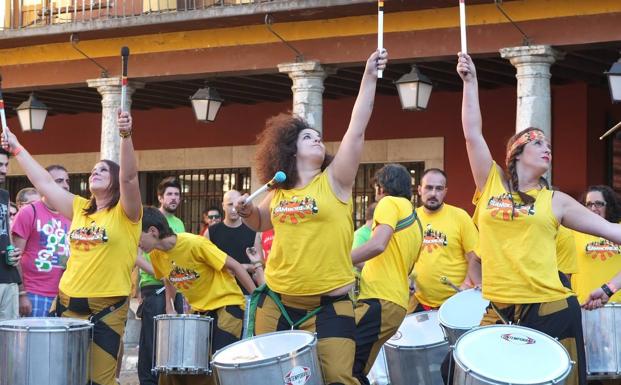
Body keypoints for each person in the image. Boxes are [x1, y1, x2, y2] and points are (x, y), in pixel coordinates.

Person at [454, 53, 621, 385]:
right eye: (538, 143)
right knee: (458, 370)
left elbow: (613, 230)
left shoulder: (556, 201)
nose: (547, 148)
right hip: (499, 306)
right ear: (516, 154)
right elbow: (473, 134)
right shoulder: (491, 184)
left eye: (548, 144)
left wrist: (612, 284)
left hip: (550, 306)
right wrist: (470, 82)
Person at [235, 49, 387, 385]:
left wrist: (368, 76)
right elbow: (261, 222)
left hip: (330, 304)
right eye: (307, 136)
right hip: (276, 301)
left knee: (337, 377)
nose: (317, 138)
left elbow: (357, 129)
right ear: (290, 150)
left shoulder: (336, 180)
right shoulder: (280, 189)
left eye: (318, 137)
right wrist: (247, 212)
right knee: (268, 378)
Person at [1, 110, 141, 385]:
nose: (95, 171)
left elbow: (130, 179)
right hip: (65, 304)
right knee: (60, 377)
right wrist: (17, 147)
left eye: (103, 169)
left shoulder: (127, 214)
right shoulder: (79, 208)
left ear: (114, 179)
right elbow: (42, 181)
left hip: (108, 308)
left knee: (100, 381)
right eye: (93, 169)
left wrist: (125, 136)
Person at [138, 206, 256, 385]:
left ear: (153, 231)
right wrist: (170, 307)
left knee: (219, 363)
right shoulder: (156, 255)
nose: (135, 242)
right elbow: (168, 279)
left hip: (227, 304)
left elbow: (235, 266)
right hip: (199, 311)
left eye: (137, 236)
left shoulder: (195, 243)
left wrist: (256, 298)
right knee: (186, 365)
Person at [351, 164, 422, 385]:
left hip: (379, 300)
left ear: (381, 188)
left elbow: (378, 244)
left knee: (345, 367)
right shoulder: (416, 219)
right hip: (395, 303)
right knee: (356, 369)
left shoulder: (388, 203)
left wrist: (337, 261)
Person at [409, 168, 480, 313]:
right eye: (429, 188)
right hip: (419, 303)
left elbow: (475, 256)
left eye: (439, 189)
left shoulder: (460, 217)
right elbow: (403, 258)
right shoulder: (410, 219)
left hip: (456, 302)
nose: (433, 193)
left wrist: (467, 284)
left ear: (445, 192)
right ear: (419, 190)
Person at [137, 177, 186, 385]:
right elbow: (135, 255)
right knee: (152, 342)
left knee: (173, 341)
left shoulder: (179, 223)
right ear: (160, 197)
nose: (174, 198)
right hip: (154, 288)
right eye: (169, 194)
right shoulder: (147, 221)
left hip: (177, 287)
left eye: (177, 194)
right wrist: (159, 273)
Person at [11, 165, 71, 317]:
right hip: (33, 294)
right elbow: (14, 257)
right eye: (59, 180)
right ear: (45, 184)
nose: (65, 185)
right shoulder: (28, 212)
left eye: (67, 181)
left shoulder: (71, 214)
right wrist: (22, 294)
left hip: (64, 296)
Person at [572, 186, 621, 304]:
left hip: (617, 303)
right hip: (585, 303)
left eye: (598, 204)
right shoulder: (573, 230)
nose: (593, 208)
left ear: (609, 206)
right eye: (589, 204)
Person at [206, 190, 258, 293]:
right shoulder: (211, 232)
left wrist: (245, 267)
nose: (234, 209)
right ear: (223, 206)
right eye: (230, 204)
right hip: (220, 293)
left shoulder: (253, 231)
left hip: (246, 292)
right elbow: (204, 263)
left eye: (237, 204)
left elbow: (259, 266)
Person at [0, 148, 23, 321]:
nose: (4, 170)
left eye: (6, 164)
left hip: (8, 276)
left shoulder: (4, 195)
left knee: (9, 340)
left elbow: (6, 232)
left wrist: (13, 251)